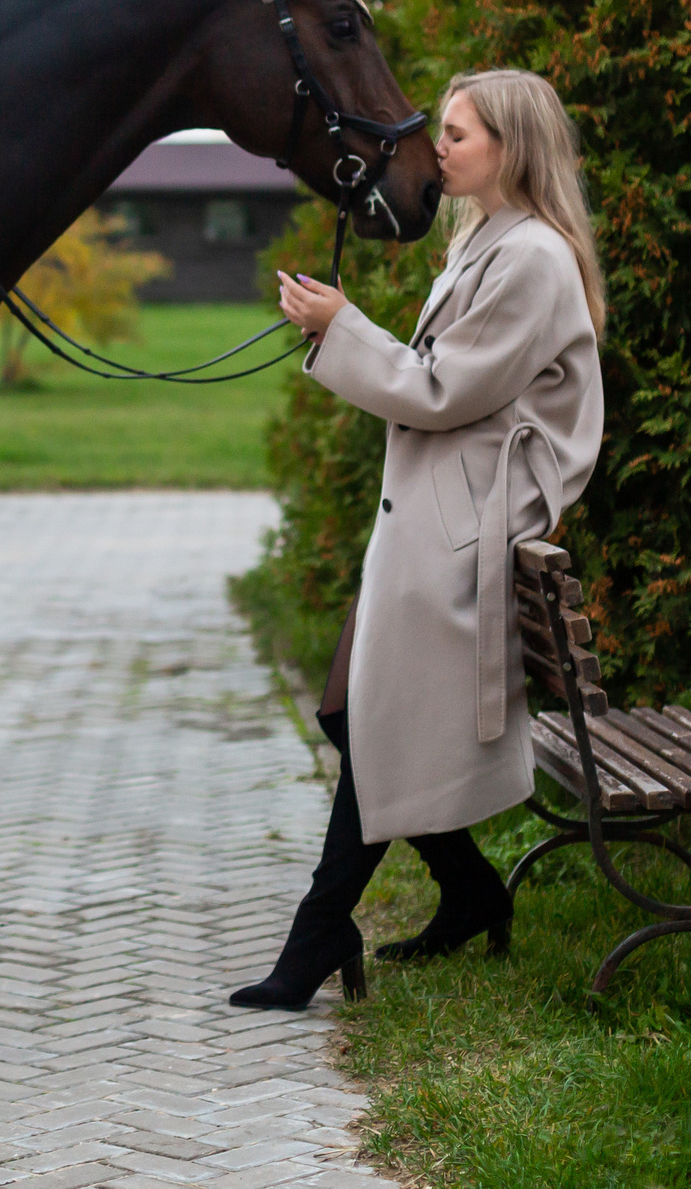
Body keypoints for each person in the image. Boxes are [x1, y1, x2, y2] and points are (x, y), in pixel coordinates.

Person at [230, 68, 607, 1010]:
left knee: (362, 718)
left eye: (460, 133)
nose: (439, 146)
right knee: (348, 711)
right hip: (440, 515)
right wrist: (339, 329)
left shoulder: (532, 258)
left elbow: (441, 389)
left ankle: (317, 935)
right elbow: (442, 379)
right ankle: (470, 890)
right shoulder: (488, 239)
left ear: (511, 149)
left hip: (462, 527)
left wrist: (341, 327)